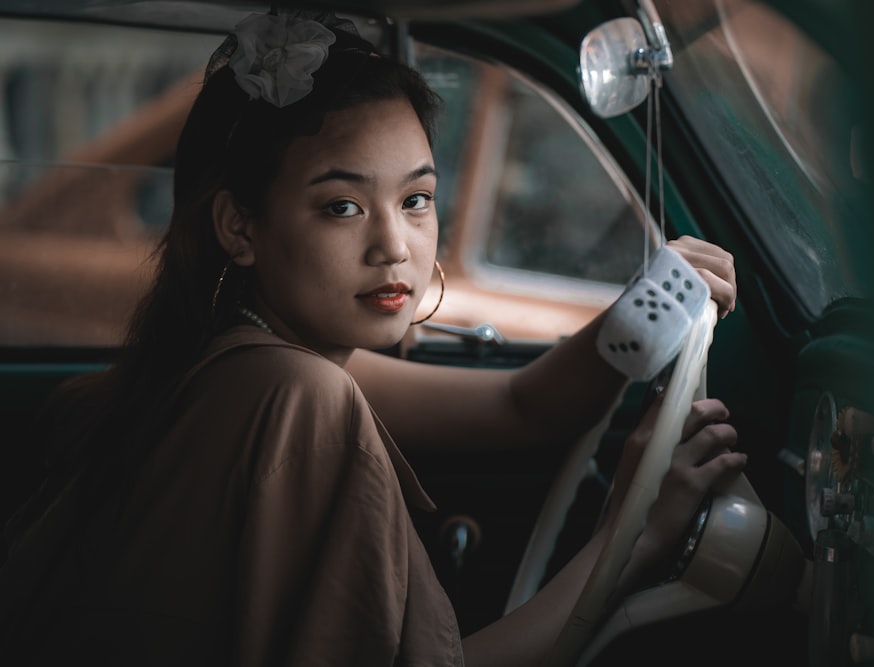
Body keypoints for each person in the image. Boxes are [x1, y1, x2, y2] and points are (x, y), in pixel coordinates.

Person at [0, 10, 743, 666]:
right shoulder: (296, 392)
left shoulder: (249, 358)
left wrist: (639, 311)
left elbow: (523, 407)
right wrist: (632, 536)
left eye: (416, 198)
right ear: (239, 226)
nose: (396, 245)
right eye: (342, 207)